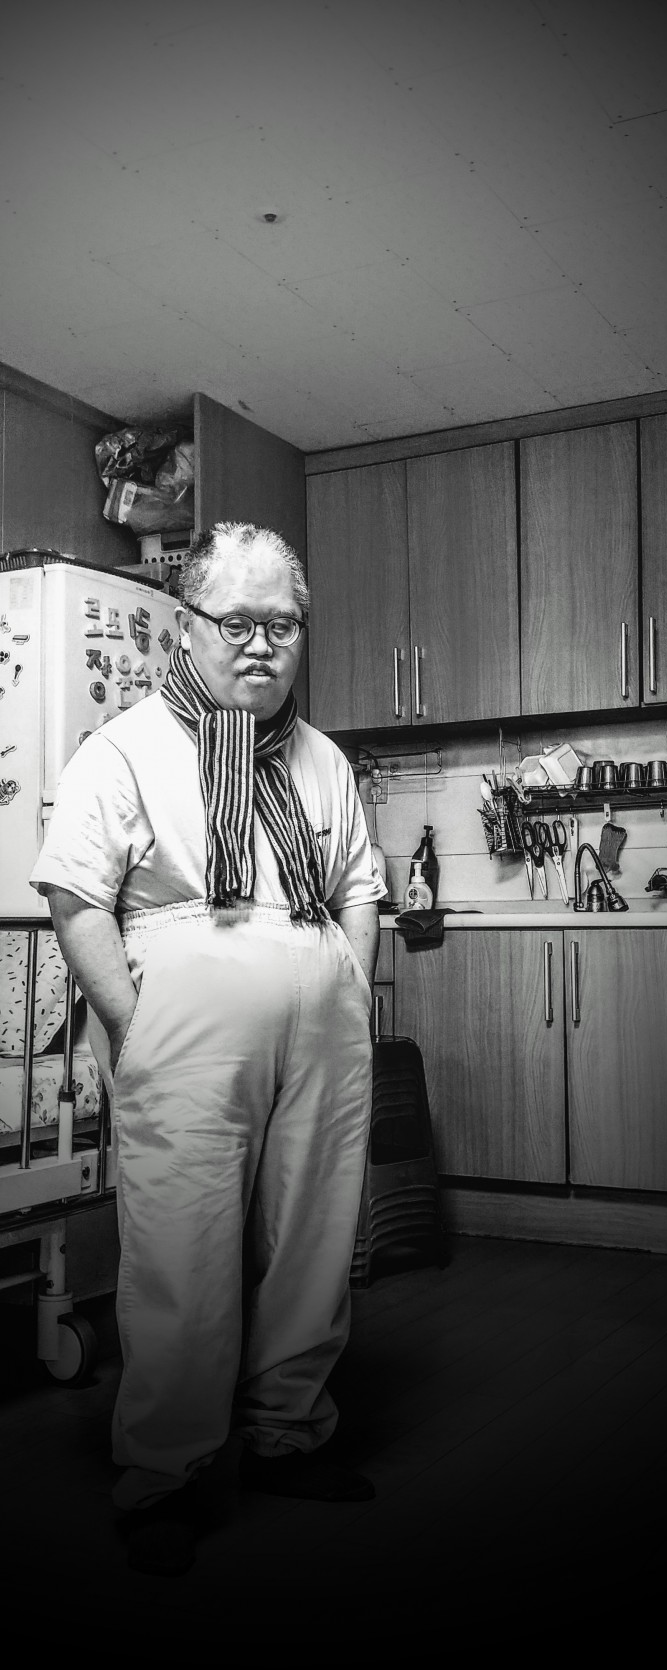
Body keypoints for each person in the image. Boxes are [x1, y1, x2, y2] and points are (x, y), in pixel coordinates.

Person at [30, 521, 385, 1576]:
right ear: (187, 626)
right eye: (237, 622)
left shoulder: (322, 758)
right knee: (182, 1249)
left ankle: (287, 1432)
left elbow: (358, 886)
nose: (262, 644)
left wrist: (348, 988)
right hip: (183, 1029)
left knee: (312, 1236)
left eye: (283, 624)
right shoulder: (124, 748)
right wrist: (134, 1026)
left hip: (322, 1027)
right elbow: (75, 896)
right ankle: (167, 1474)